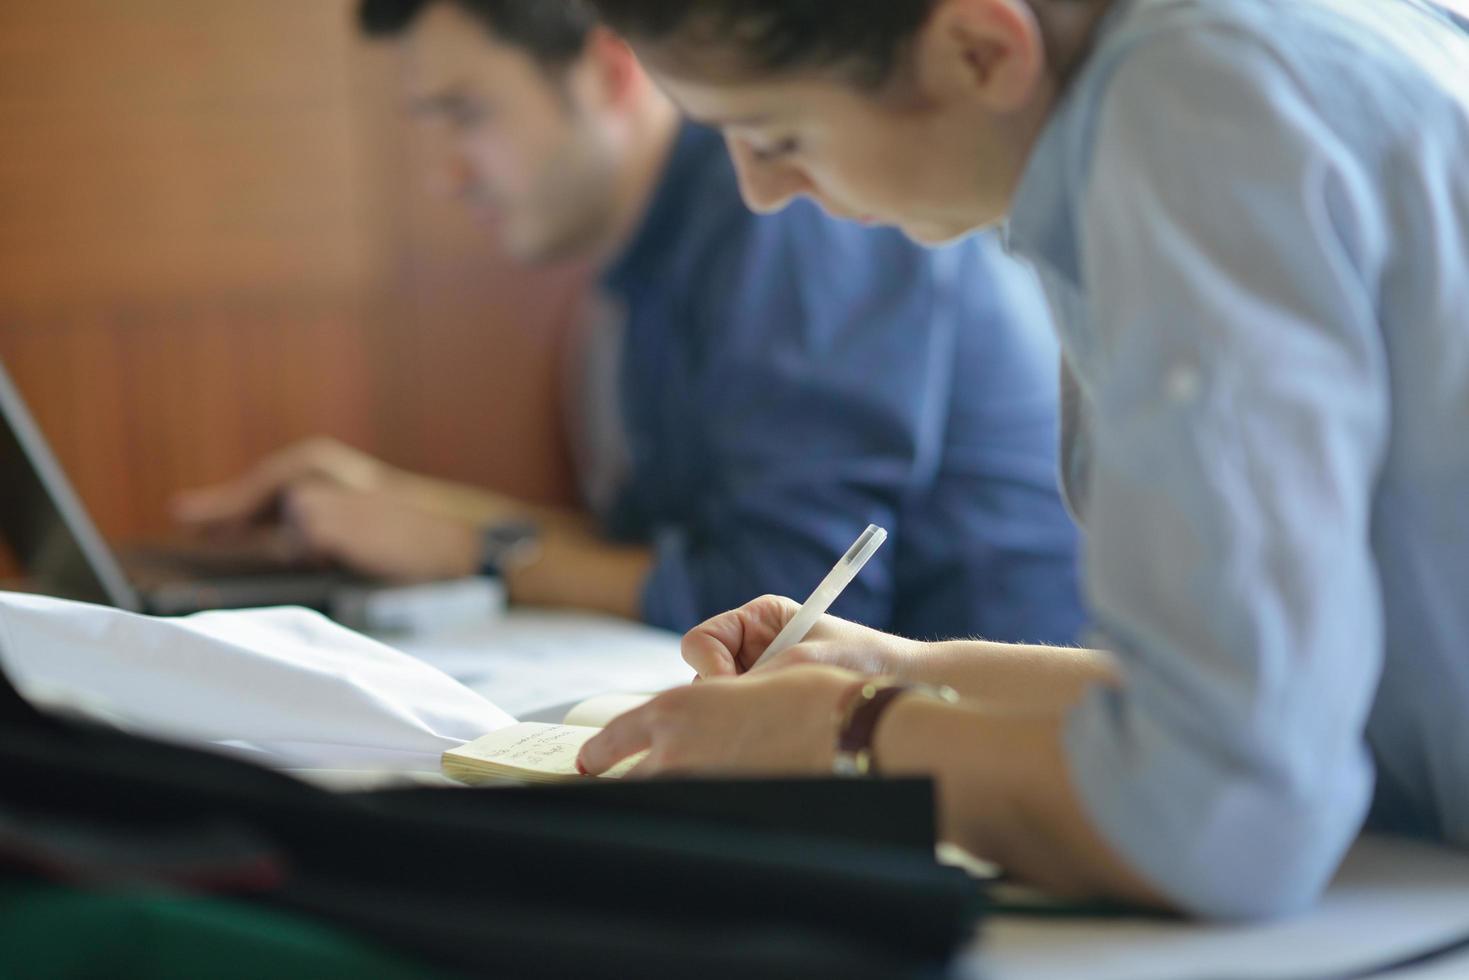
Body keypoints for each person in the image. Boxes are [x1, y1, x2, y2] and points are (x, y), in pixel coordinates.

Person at [573, 0, 1469, 919]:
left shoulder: (1195, 113)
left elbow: (1221, 815)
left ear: (977, 49)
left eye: (776, 134)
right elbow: (1267, 707)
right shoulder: (1217, 68)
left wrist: (842, 739)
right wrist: (892, 675)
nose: (760, 192)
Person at [172, 0, 1085, 643]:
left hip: (969, 758)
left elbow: (787, 600)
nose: (443, 174)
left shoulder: (791, 200)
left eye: (464, 113)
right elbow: (676, 557)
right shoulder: (651, 258)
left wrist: (469, 547)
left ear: (609, 69)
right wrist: (403, 507)